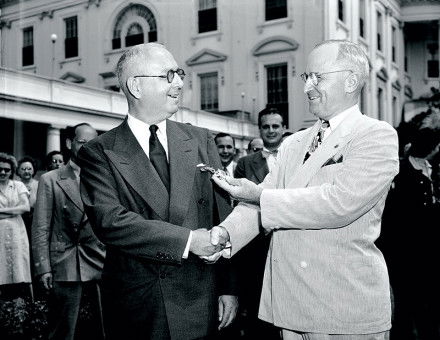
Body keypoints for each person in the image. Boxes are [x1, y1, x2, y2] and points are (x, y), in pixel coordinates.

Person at [208, 40, 399, 340]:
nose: (307, 86)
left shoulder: (375, 135)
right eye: (305, 77)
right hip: (290, 306)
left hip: (344, 309)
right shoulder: (293, 143)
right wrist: (222, 236)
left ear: (350, 80)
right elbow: (261, 201)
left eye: (316, 77)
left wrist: (258, 196)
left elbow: (338, 204)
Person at [77, 43, 238, 340]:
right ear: (136, 86)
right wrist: (190, 241)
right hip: (140, 305)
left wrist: (228, 288)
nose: (179, 82)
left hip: (202, 297)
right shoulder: (99, 152)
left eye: (179, 73)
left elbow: (222, 216)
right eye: (168, 75)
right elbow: (111, 221)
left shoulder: (201, 140)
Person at [32, 123, 106, 340]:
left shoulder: (104, 178)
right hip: (65, 261)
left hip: (101, 261)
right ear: (69, 143)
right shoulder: (50, 179)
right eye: (83, 143)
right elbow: (41, 227)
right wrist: (43, 268)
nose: (88, 148)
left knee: (103, 329)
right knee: (63, 331)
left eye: (93, 144)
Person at [380, 127, 440, 340]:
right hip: (405, 252)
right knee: (406, 305)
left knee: (430, 306)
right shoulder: (400, 172)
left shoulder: (432, 170)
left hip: (431, 252)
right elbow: (392, 216)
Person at [232, 106, 285, 339]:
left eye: (275, 126)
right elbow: (245, 202)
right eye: (266, 126)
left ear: (283, 128)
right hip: (258, 245)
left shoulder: (296, 157)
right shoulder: (245, 163)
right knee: (257, 308)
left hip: (289, 241)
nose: (271, 131)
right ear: (260, 129)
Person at [0, 152, 32, 300]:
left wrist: (1, 211)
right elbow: (18, 209)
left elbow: (25, 207)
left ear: (12, 171)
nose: (2, 172)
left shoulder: (18, 185)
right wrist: (14, 211)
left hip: (17, 232)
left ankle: (20, 307)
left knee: (18, 268)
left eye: (6, 170)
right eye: (0, 169)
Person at [16, 156, 39, 234]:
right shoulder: (15, 185)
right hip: (18, 219)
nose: (26, 171)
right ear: (18, 171)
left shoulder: (39, 185)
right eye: (23, 169)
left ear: (33, 170)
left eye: (29, 169)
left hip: (35, 220)